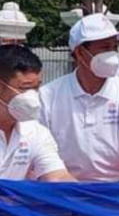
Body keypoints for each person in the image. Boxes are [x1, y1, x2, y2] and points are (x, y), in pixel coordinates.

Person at [39, 14, 119, 183]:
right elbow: (40, 151)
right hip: (66, 188)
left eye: (114, 47)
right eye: (104, 48)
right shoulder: (49, 95)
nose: (112, 54)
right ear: (80, 52)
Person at [0, 45, 74, 181]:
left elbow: (58, 177)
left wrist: (84, 194)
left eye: (36, 88)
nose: (32, 96)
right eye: (25, 88)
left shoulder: (35, 132)